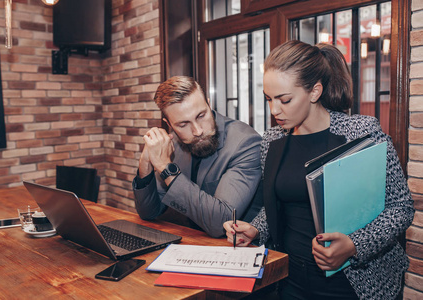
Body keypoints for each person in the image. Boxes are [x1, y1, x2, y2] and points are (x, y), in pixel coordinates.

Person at [223, 40, 414, 299]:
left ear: (314, 92)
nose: (274, 110)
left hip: (351, 282)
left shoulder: (361, 133)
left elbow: (401, 208)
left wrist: (354, 246)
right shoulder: (272, 141)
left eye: (285, 99)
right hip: (289, 278)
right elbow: (277, 206)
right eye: (269, 99)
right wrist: (256, 229)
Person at [132, 76, 262, 238]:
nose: (198, 131)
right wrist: (146, 163)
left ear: (208, 103)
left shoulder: (245, 142)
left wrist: (167, 169)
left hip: (234, 250)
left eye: (201, 115)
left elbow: (221, 223)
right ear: (169, 123)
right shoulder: (174, 143)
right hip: (189, 243)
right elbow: (149, 212)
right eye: (183, 124)